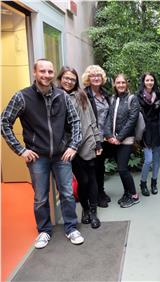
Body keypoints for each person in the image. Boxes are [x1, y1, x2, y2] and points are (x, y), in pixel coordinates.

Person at [1, 59, 84, 248]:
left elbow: (76, 122)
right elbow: (4, 122)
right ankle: (44, 231)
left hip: (62, 154)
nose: (46, 75)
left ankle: (71, 228)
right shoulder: (22, 97)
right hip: (37, 157)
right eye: (42, 71)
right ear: (34, 72)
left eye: (49, 71)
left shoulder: (62, 96)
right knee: (40, 197)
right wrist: (20, 149)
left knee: (67, 194)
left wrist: (73, 146)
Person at [57, 66, 102, 229]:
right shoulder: (56, 96)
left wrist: (98, 140)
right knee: (82, 180)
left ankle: (93, 212)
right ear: (60, 79)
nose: (69, 81)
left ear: (76, 81)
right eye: (66, 78)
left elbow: (91, 118)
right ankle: (85, 207)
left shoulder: (81, 95)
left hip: (87, 141)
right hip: (69, 146)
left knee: (91, 178)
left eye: (72, 79)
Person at [104, 74, 140, 208]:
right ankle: (127, 193)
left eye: (123, 82)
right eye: (118, 83)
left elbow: (132, 120)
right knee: (121, 169)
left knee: (122, 169)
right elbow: (108, 118)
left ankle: (134, 195)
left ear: (127, 84)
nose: (120, 85)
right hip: (113, 140)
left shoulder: (132, 99)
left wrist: (119, 138)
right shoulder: (113, 98)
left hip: (126, 140)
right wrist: (109, 136)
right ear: (114, 84)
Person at [82, 65, 112, 208]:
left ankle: (101, 191)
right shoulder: (84, 94)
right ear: (88, 78)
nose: (96, 78)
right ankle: (94, 196)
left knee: (100, 166)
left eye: (98, 75)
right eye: (93, 75)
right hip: (90, 137)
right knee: (92, 167)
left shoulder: (105, 94)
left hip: (103, 137)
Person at [137, 73, 160, 196]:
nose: (150, 82)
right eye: (147, 80)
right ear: (144, 82)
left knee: (157, 159)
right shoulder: (139, 96)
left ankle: (154, 183)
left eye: (152, 80)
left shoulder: (157, 95)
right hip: (145, 130)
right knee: (148, 160)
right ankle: (143, 183)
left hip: (156, 129)